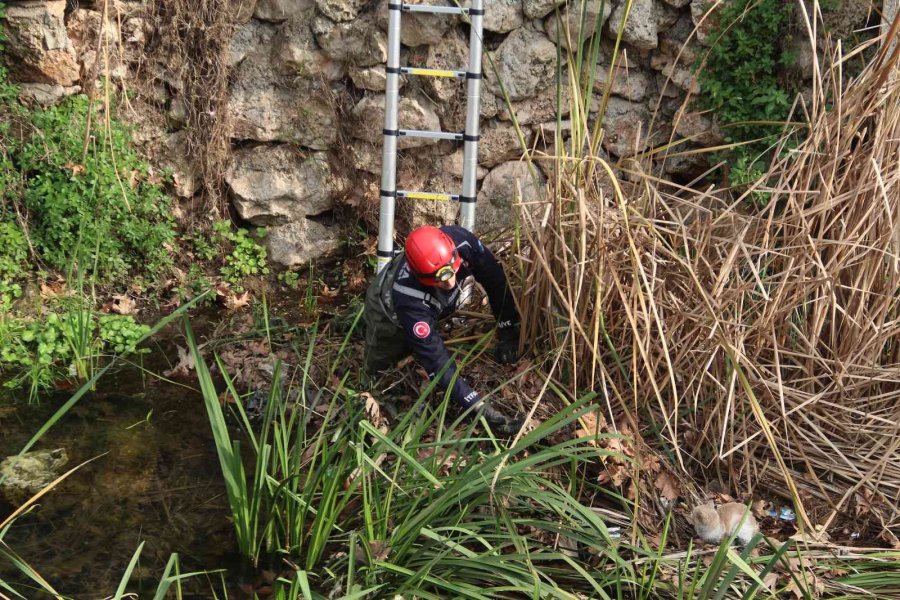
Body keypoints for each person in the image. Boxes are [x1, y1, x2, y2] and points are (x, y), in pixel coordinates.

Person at [364, 225, 525, 435]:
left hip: (429, 299)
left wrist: (507, 327)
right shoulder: (409, 300)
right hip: (386, 314)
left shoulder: (462, 241)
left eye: (451, 270)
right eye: (439, 277)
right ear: (421, 276)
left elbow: (494, 279)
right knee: (379, 367)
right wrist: (478, 408)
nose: (450, 281)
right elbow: (437, 362)